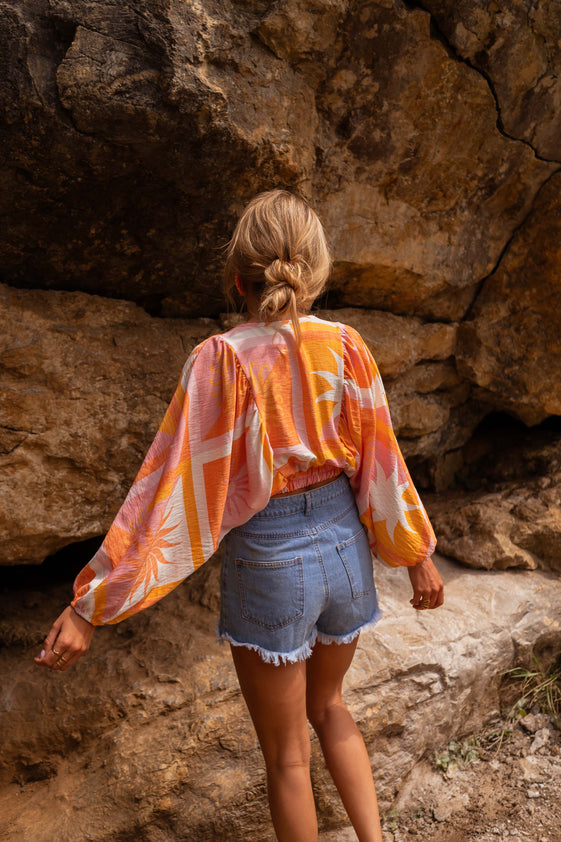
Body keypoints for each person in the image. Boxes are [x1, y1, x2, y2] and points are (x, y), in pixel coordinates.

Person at [35, 189, 444, 842]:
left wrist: (92, 603)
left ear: (236, 280)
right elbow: (381, 461)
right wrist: (417, 556)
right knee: (331, 707)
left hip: (273, 561)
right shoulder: (346, 346)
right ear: (315, 274)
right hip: (344, 550)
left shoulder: (219, 360)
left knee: (286, 757)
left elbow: (164, 491)